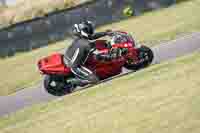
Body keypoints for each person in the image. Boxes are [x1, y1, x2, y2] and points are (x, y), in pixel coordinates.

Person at [64, 20, 119, 86]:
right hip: (76, 66)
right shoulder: (86, 44)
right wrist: (111, 57)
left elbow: (92, 36)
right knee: (95, 80)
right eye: (88, 29)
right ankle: (74, 81)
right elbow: (98, 56)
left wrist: (105, 33)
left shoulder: (81, 37)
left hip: (69, 57)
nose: (90, 30)